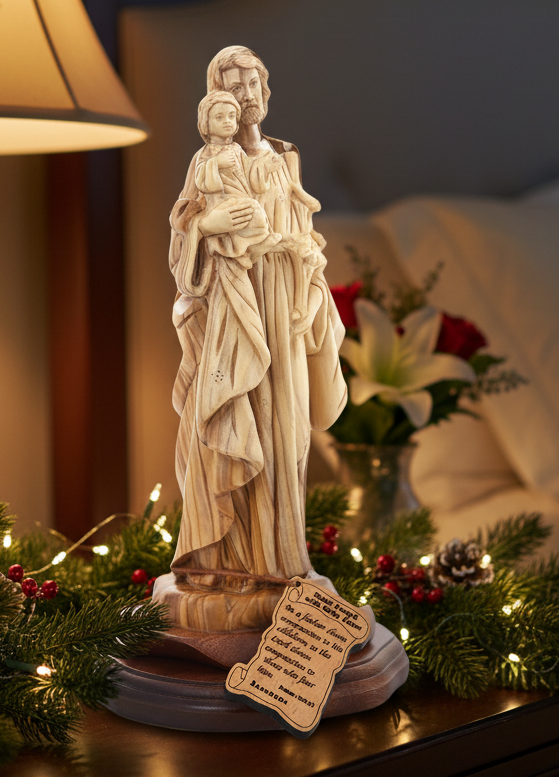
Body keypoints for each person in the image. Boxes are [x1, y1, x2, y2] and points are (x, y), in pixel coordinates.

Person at [167, 46, 348, 596]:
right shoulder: (206, 161)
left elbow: (300, 225)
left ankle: (282, 560)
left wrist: (310, 270)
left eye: (255, 83)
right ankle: (228, 562)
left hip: (284, 299)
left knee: (286, 432)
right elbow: (183, 241)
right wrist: (207, 224)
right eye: (235, 86)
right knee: (234, 418)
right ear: (214, 99)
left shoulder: (284, 155)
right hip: (234, 300)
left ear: (267, 90)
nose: (248, 96)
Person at [194, 90, 281, 265]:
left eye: (231, 116)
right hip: (222, 202)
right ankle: (241, 250)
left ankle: (251, 249)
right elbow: (201, 177)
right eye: (220, 117)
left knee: (255, 214)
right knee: (251, 212)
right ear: (206, 124)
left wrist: (264, 167)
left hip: (240, 197)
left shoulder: (236, 148)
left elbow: (249, 172)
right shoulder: (207, 152)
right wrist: (216, 163)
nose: (227, 121)